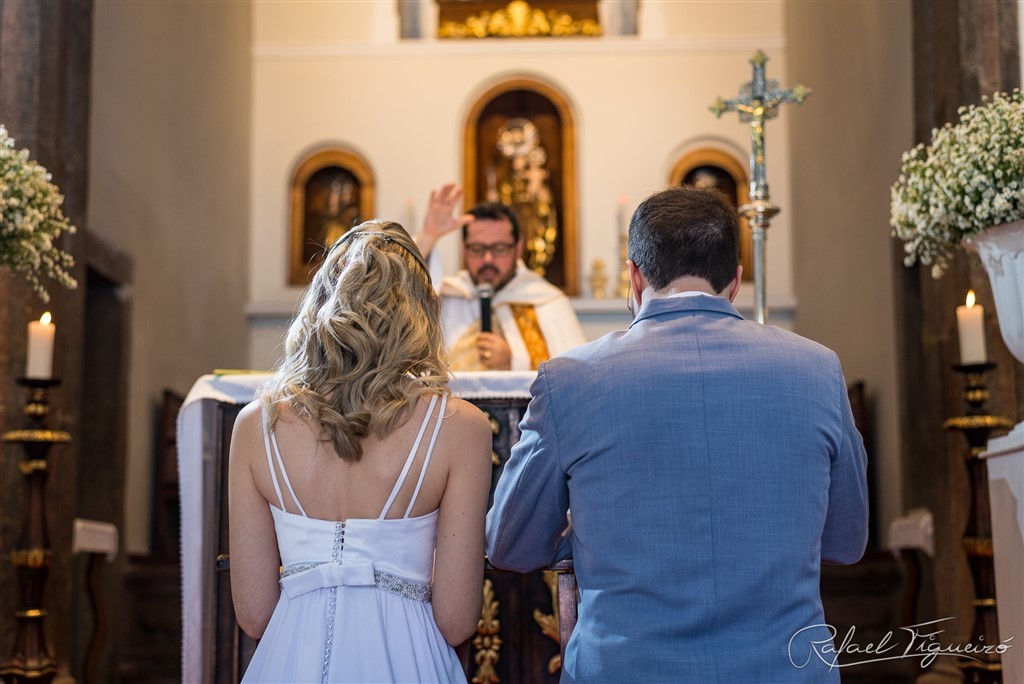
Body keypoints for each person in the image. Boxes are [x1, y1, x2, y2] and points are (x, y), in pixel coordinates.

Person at [486, 186, 868, 682]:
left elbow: (510, 545)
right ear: (735, 281)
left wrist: (592, 538)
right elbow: (847, 540)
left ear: (635, 276)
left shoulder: (571, 379)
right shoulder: (818, 369)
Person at [229, 220, 492, 683]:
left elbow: (253, 615)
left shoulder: (257, 424)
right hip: (407, 661)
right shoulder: (460, 427)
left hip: (290, 661)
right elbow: (455, 621)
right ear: (421, 312)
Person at [415, 183, 585, 371]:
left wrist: (514, 363)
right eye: (477, 249)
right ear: (464, 249)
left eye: (499, 249)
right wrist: (427, 237)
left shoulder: (546, 300)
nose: (488, 259)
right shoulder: (446, 297)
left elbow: (576, 374)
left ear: (518, 249)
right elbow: (395, 293)